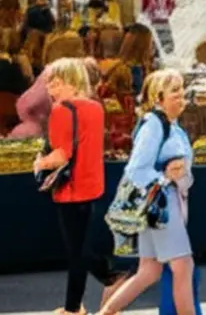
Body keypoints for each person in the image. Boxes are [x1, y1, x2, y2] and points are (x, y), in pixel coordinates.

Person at [32, 58, 124, 315]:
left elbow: (62, 154)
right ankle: (83, 300)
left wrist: (41, 163)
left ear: (72, 82)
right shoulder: (96, 108)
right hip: (91, 184)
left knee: (77, 251)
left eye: (56, 83)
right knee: (79, 248)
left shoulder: (61, 110)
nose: (50, 89)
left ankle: (108, 281)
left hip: (70, 188)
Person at [101, 70, 196, 315]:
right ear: (158, 98)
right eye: (174, 91)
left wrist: (178, 175)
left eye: (181, 89)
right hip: (161, 205)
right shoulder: (154, 124)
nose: (181, 95)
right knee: (183, 265)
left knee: (150, 270)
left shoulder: (171, 126)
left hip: (158, 203)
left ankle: (105, 313)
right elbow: (136, 169)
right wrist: (165, 177)